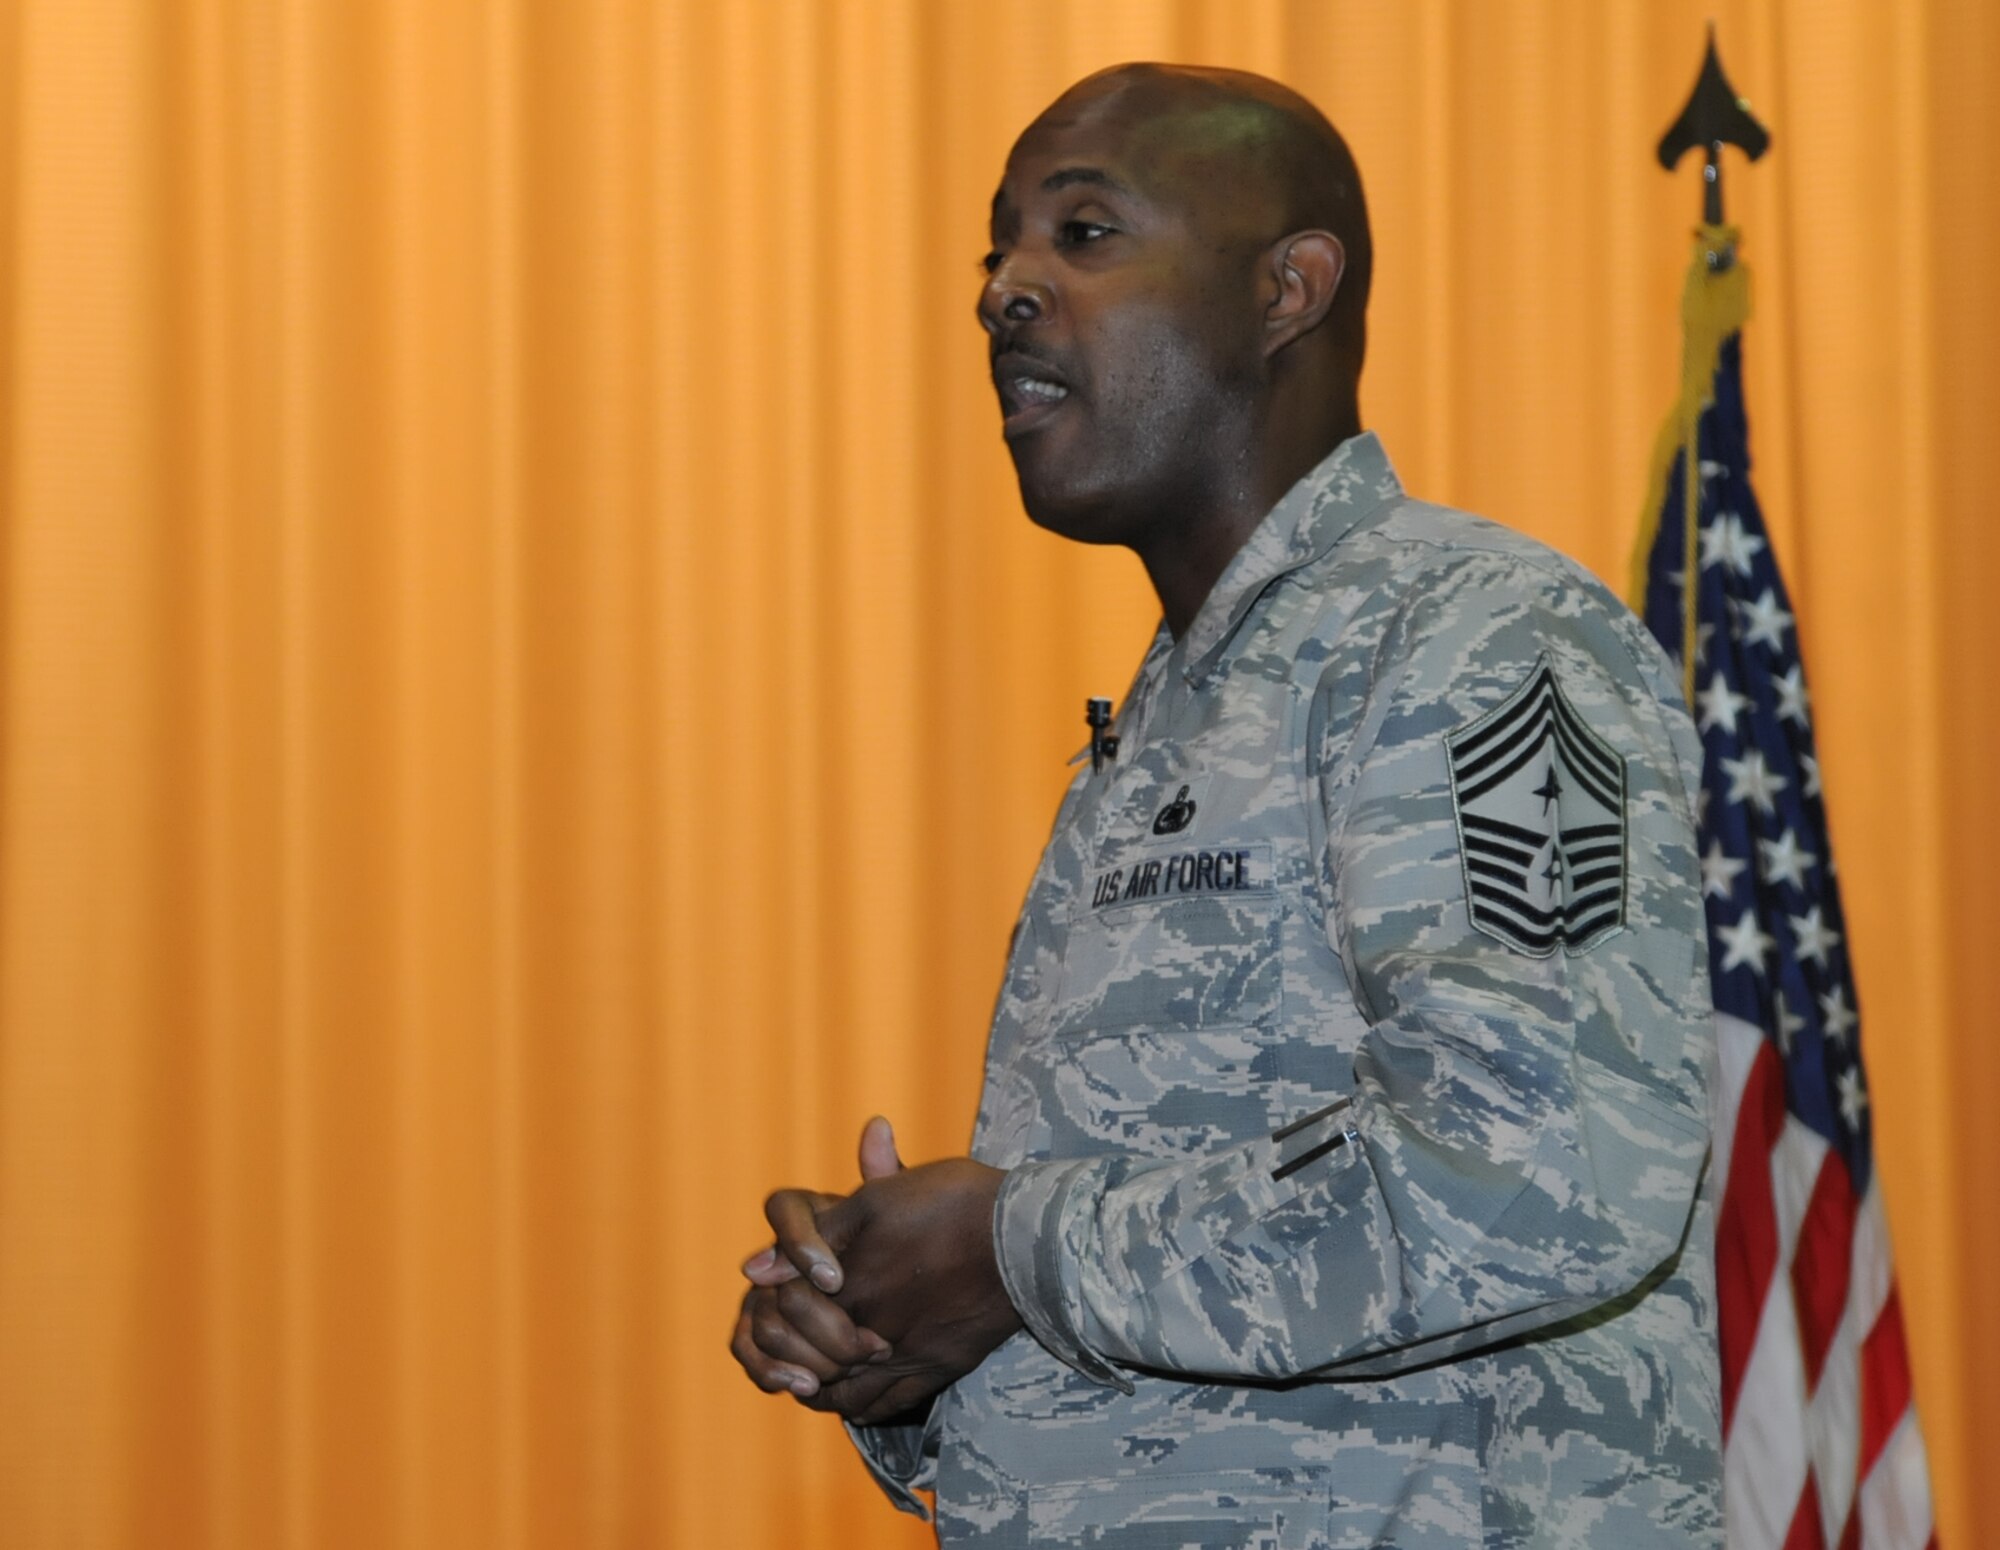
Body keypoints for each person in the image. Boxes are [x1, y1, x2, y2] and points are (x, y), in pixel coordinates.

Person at [730, 62, 1721, 1548]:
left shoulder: (1483, 637)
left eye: (1084, 234)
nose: (1004, 287)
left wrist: (1009, 1244)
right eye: (996, 248)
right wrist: (895, 1335)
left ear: (1287, 290)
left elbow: (1542, 1172)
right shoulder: (1170, 718)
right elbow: (1168, 1273)